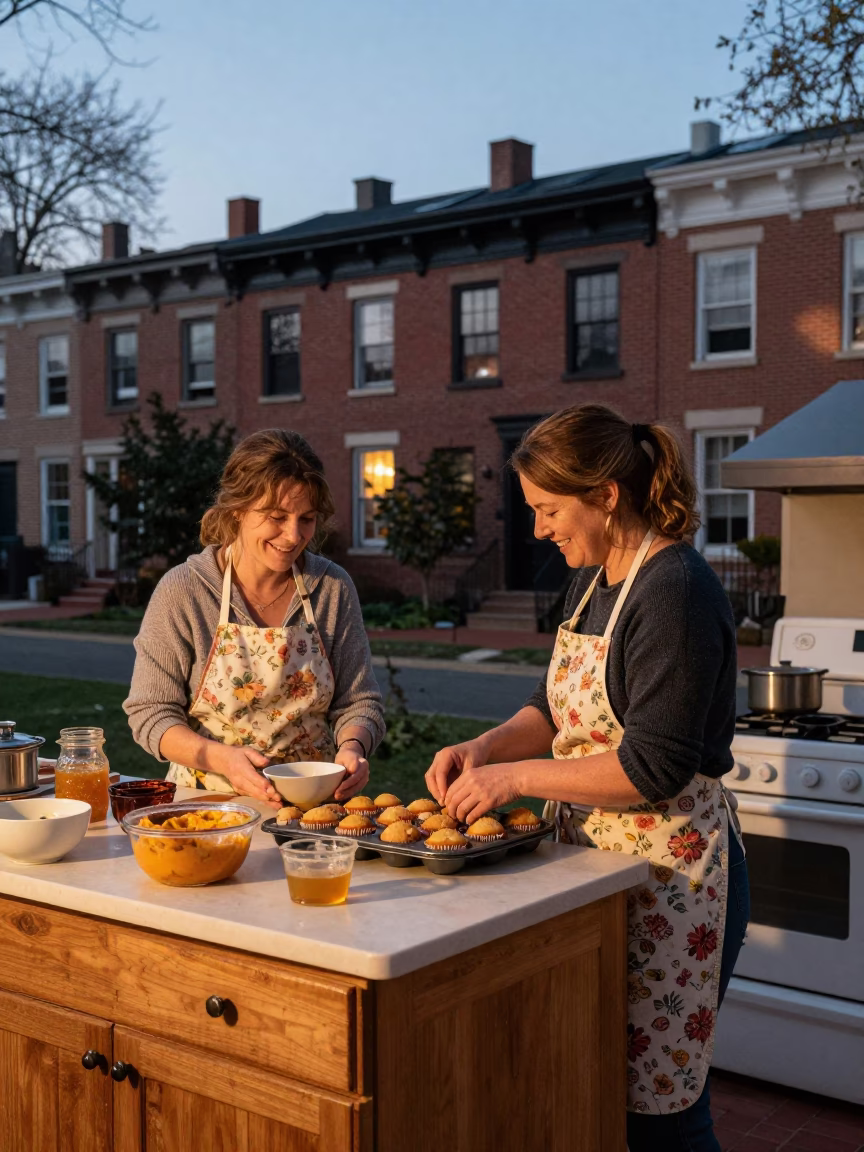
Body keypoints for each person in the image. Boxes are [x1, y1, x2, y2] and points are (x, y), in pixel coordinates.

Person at [426, 404, 749, 1152]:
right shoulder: (597, 575)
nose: (538, 528)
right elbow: (555, 705)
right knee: (598, 1086)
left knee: (661, 1112)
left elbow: (654, 765)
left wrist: (510, 784)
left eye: (548, 509)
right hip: (596, 871)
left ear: (606, 495)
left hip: (673, 877)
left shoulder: (676, 589)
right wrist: (487, 748)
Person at [125, 428, 384, 808]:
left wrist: (353, 747)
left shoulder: (330, 588)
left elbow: (359, 702)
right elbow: (150, 713)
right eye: (276, 516)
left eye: (307, 519)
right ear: (237, 510)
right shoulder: (184, 590)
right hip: (207, 803)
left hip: (312, 811)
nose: (293, 536)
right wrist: (221, 759)